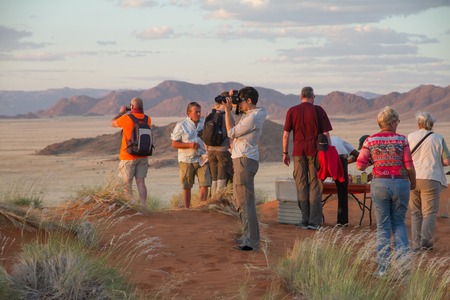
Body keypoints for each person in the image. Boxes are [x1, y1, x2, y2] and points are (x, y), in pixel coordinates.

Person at [356, 106, 416, 277]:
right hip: (400, 184)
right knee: (399, 223)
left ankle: (383, 269)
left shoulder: (370, 141)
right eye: (397, 121)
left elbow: (360, 165)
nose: (398, 124)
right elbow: (409, 165)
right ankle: (403, 268)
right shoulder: (402, 140)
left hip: (380, 184)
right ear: (391, 122)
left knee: (383, 226)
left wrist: (374, 161)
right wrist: (412, 183)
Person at [282, 86, 333, 230]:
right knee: (315, 184)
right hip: (315, 152)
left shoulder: (292, 111)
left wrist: (285, 153)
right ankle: (314, 222)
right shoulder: (318, 110)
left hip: (298, 152)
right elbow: (326, 134)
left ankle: (304, 220)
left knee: (301, 184)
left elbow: (286, 135)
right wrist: (329, 152)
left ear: (300, 97)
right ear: (313, 97)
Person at [223, 86, 266, 251]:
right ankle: (247, 235)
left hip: (245, 161)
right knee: (239, 201)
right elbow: (241, 115)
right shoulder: (251, 114)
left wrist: (227, 112)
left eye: (241, 101)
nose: (238, 104)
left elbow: (231, 133)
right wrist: (234, 100)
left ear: (249, 101)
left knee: (246, 202)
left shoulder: (252, 118)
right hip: (242, 160)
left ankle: (251, 241)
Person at [407, 111, 450, 250]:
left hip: (412, 177)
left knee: (415, 213)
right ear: (431, 124)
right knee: (429, 213)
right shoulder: (438, 138)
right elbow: (446, 161)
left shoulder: (410, 137)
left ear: (418, 124)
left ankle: (415, 244)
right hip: (431, 177)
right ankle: (425, 243)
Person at [111, 97, 151, 207]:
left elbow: (113, 123)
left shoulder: (126, 118)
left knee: (127, 183)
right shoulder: (148, 119)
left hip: (128, 156)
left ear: (132, 107)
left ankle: (130, 206)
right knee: (141, 182)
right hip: (143, 155)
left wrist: (121, 113)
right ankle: (143, 206)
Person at [171, 102, 211, 208]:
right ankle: (187, 208)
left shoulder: (204, 124)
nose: (199, 114)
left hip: (202, 158)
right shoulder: (181, 125)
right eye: (196, 112)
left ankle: (202, 207)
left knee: (205, 183)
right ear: (189, 113)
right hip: (186, 160)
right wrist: (189, 145)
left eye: (199, 112)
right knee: (186, 185)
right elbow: (174, 143)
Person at [330, 136, 360, 226]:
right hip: (341, 157)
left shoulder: (327, 138)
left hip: (324, 156)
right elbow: (356, 154)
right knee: (342, 191)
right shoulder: (339, 140)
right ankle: (342, 222)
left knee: (316, 188)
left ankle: (315, 219)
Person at [206, 96, 233, 196]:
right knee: (222, 177)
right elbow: (231, 134)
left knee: (214, 178)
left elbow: (205, 134)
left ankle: (212, 199)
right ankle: (218, 201)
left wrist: (207, 150)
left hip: (211, 150)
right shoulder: (227, 115)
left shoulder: (210, 114)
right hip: (223, 150)